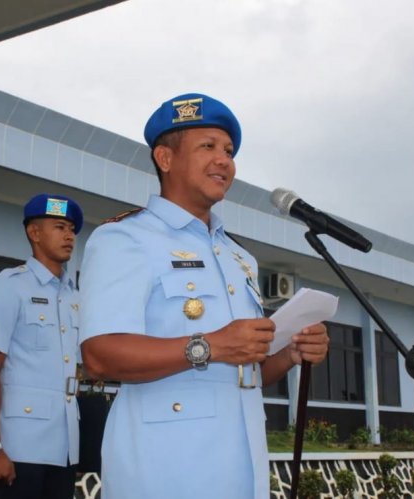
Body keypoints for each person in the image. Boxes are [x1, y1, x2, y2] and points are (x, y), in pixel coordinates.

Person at [79, 93, 330, 499]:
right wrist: (209, 345)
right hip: (165, 472)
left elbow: (242, 373)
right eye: (208, 147)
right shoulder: (124, 239)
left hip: (240, 469)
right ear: (165, 158)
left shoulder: (239, 257)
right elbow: (99, 355)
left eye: (229, 151)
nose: (224, 160)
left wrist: (289, 354)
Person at [0, 193, 83, 499]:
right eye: (60, 227)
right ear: (34, 233)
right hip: (19, 448)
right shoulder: (6, 286)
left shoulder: (75, 297)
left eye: (72, 229)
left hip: (63, 449)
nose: (69, 235)